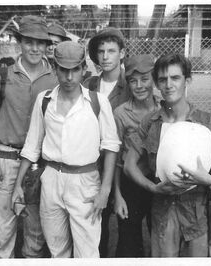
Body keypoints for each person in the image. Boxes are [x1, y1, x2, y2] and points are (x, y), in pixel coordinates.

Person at [124, 53, 211, 257]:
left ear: (187, 80)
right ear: (157, 84)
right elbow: (128, 165)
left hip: (196, 210)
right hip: (162, 209)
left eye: (175, 78)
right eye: (163, 79)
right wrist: (152, 187)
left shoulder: (206, 122)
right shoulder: (150, 123)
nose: (169, 84)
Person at [14, 41, 120, 258]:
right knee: (57, 251)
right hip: (51, 178)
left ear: (83, 70)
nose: (69, 77)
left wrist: (105, 191)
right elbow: (32, 145)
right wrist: (17, 185)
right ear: (55, 69)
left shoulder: (96, 102)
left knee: (87, 253)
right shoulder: (44, 101)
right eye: (64, 70)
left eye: (75, 70)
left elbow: (111, 147)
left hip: (85, 181)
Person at [0, 15, 57, 258]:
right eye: (29, 41)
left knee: (36, 232)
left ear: (46, 46)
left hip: (39, 164)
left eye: (40, 43)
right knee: (4, 232)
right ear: (20, 42)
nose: (35, 48)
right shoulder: (4, 73)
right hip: (6, 161)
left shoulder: (54, 77)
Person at [82, 26, 130, 257]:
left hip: (125, 165)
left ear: (122, 53)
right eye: (101, 51)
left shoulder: (133, 85)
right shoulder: (90, 85)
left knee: (128, 228)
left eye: (111, 50)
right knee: (95, 227)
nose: (105, 56)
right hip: (96, 164)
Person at [113, 54, 160, 257]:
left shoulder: (164, 109)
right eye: (133, 81)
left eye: (144, 79)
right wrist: (117, 195)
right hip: (130, 184)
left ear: (154, 80)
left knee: (160, 238)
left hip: (159, 183)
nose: (139, 86)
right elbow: (114, 159)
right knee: (129, 243)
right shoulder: (121, 113)